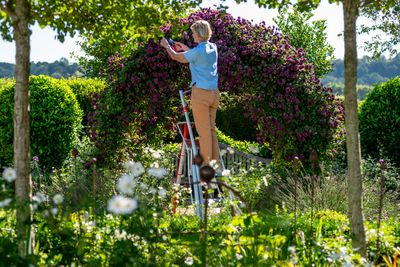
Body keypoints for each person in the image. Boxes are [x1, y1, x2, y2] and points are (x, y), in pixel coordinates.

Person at [161, 20, 219, 166]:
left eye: (193, 32)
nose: (192, 35)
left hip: (201, 94)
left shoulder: (197, 52)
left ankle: (206, 167)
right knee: (211, 129)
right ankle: (214, 162)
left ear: (198, 34)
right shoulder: (213, 48)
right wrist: (185, 48)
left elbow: (176, 57)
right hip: (214, 93)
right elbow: (197, 57)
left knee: (203, 132)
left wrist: (167, 46)